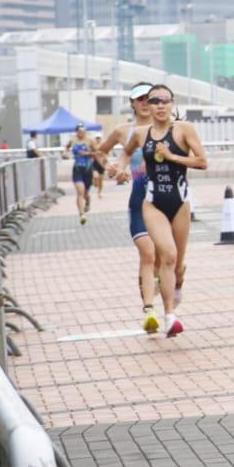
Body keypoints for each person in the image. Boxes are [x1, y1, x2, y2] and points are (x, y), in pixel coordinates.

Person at [121, 85, 204, 336]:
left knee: (177, 264)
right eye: (154, 101)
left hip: (179, 203)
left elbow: (202, 161)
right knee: (167, 255)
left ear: (172, 104)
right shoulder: (140, 133)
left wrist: (171, 156)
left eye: (164, 100)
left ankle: (177, 282)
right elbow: (126, 152)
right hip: (153, 203)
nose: (159, 105)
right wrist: (119, 167)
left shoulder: (184, 129)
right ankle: (169, 316)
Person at [94, 85, 162, 325]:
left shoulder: (166, 127)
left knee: (163, 258)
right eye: (138, 99)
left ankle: (157, 283)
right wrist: (112, 168)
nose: (144, 103)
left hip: (165, 201)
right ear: (132, 103)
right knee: (147, 253)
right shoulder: (123, 131)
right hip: (139, 200)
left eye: (148, 98)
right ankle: (149, 311)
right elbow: (101, 153)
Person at [69, 125, 96, 223]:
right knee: (80, 192)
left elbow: (97, 153)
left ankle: (87, 199)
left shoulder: (90, 141)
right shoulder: (73, 141)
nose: (82, 133)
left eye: (83, 131)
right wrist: (64, 154)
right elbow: (66, 148)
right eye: (80, 131)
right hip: (77, 169)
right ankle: (82, 215)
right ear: (76, 132)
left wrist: (87, 153)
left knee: (85, 193)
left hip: (88, 169)